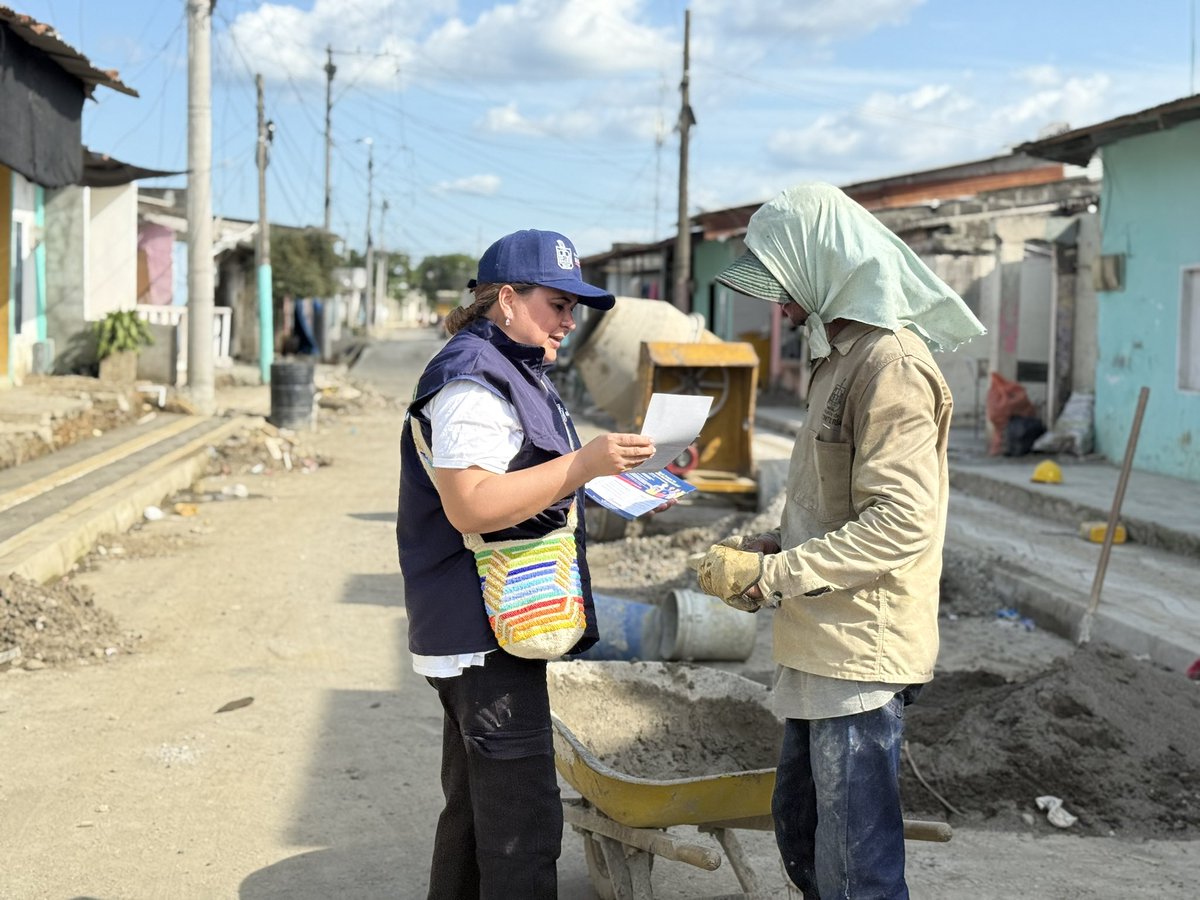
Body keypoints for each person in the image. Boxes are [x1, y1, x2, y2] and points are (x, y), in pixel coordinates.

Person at [697, 183, 985, 899]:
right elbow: (835, 504)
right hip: (818, 646)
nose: (781, 304)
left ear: (825, 262)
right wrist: (768, 547)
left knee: (858, 874)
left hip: (858, 653)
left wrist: (777, 576)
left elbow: (900, 521)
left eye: (785, 283)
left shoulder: (890, 365)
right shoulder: (839, 353)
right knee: (803, 836)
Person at [397, 229, 656, 899]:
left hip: (489, 625)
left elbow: (529, 480)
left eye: (575, 309)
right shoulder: (469, 381)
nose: (569, 321)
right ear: (506, 299)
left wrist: (611, 482)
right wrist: (583, 464)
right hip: (483, 632)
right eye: (557, 303)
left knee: (479, 816)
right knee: (522, 828)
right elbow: (472, 504)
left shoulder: (510, 370)